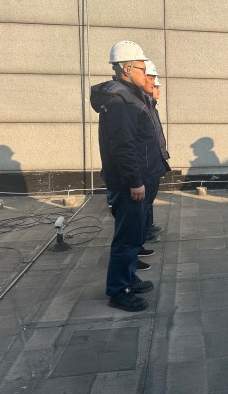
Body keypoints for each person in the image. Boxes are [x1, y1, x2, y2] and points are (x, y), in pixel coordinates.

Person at [90, 41, 168, 311]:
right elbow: (124, 146)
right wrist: (135, 181)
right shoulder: (121, 102)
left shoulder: (131, 97)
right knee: (126, 239)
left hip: (143, 176)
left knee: (134, 236)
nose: (146, 74)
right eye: (142, 69)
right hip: (132, 182)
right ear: (126, 68)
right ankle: (118, 291)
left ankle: (129, 278)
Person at [142, 60, 169, 245]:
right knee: (144, 202)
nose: (156, 87)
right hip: (146, 163)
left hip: (153, 160)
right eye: (153, 81)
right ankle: (143, 232)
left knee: (149, 200)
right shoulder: (141, 106)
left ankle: (147, 227)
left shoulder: (151, 106)